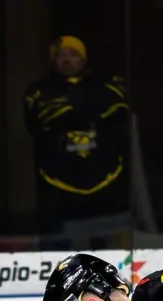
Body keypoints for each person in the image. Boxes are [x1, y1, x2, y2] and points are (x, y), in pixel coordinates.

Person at [21, 35, 130, 237]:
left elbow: (119, 114)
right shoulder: (37, 92)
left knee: (105, 252)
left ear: (83, 59)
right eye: (61, 55)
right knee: (57, 251)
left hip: (104, 183)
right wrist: (88, 114)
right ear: (52, 60)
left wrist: (67, 112)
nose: (67, 60)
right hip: (57, 186)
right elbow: (37, 123)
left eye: (73, 54)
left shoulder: (107, 86)